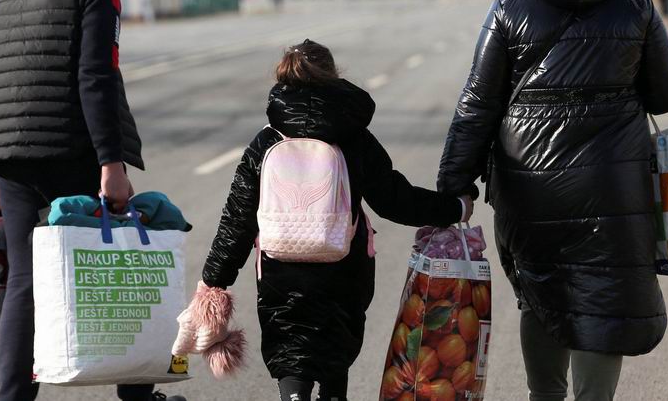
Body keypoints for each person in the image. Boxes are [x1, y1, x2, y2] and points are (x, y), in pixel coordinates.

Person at [438, 0, 668, 401]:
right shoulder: (635, 2)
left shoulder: (509, 5)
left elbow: (476, 105)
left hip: (529, 181)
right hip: (613, 182)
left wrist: (454, 188)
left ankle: (544, 395)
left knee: (541, 291)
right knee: (605, 294)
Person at [0, 0, 185, 401]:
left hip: (9, 154)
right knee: (122, 259)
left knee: (23, 279)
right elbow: (96, 77)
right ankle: (137, 393)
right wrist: (111, 163)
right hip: (71, 146)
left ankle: (13, 399)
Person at [195, 39, 469, 401]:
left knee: (291, 352)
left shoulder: (266, 142)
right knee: (334, 353)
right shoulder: (354, 138)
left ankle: (293, 396)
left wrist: (214, 281)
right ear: (333, 75)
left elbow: (237, 219)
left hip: (281, 269)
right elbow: (394, 200)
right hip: (344, 267)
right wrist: (455, 208)